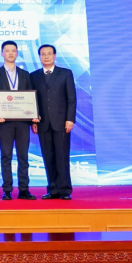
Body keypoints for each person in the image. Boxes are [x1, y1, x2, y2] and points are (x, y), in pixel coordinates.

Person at [0, 40, 39, 201]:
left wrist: (33, 118)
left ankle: (24, 189)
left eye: (13, 50)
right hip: (5, 121)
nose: (10, 53)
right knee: (6, 156)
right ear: (2, 53)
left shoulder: (25, 74)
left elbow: (31, 97)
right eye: (7, 50)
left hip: (23, 121)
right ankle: (7, 190)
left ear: (17, 53)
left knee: (23, 156)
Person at [30, 44, 77, 201]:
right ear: (39, 57)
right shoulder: (33, 76)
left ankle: (65, 190)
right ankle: (52, 189)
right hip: (42, 122)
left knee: (62, 156)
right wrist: (33, 120)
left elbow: (71, 98)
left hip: (62, 122)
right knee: (48, 157)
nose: (46, 56)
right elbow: (32, 100)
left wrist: (70, 119)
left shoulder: (65, 73)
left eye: (49, 54)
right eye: (43, 54)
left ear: (55, 56)